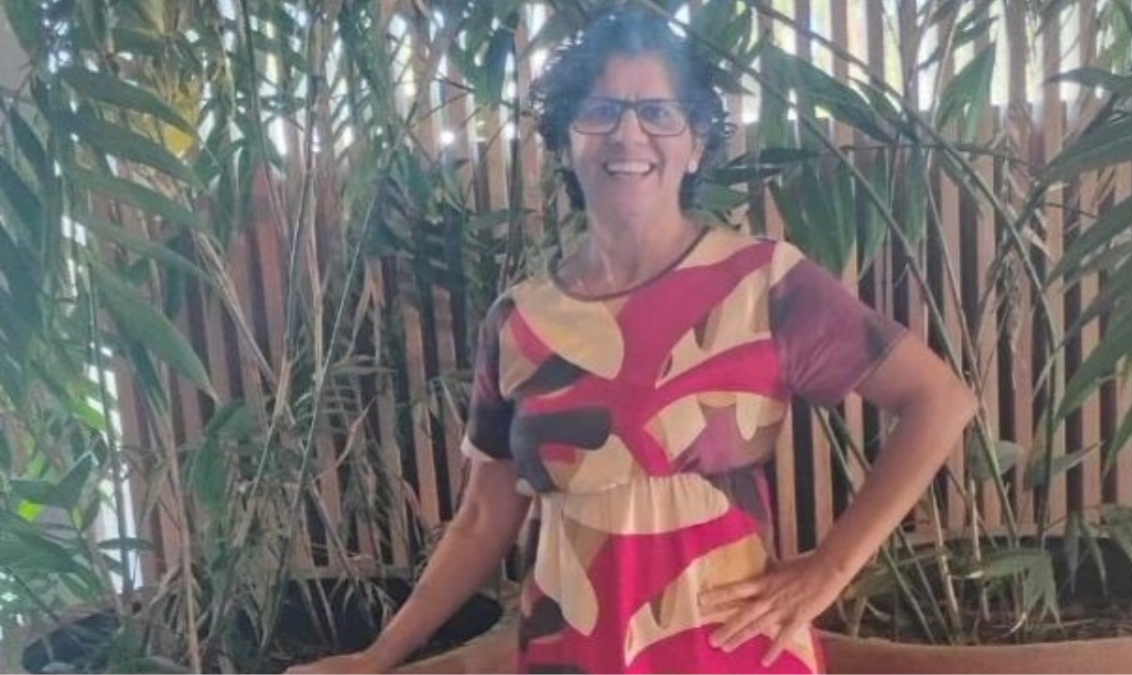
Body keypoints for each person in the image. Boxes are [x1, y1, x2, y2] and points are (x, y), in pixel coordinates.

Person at [287, 8, 976, 674]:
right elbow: (481, 517)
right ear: (564, 142)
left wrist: (830, 568)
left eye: (657, 112)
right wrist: (376, 657)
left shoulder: (761, 283)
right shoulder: (519, 320)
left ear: (696, 142)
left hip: (724, 653)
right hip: (571, 653)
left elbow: (939, 400)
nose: (628, 134)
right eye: (600, 111)